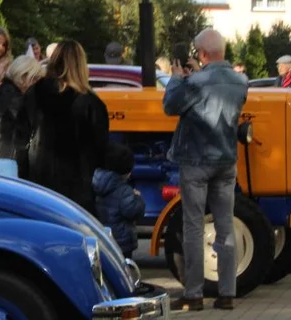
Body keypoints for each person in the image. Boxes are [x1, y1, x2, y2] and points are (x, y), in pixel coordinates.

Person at [163, 28, 248, 312]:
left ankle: (194, 294)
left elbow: (171, 107)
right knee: (225, 227)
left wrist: (177, 78)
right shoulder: (241, 82)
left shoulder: (195, 83)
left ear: (200, 53)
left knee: (194, 227)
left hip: (196, 160)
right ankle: (227, 294)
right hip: (226, 160)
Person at [20, 40, 109, 215]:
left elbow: (20, 136)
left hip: (39, 184)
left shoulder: (34, 94)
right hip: (77, 189)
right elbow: (100, 149)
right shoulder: (91, 103)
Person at [0, 55, 45, 177]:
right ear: (24, 76)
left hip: (0, 156)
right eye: (35, 79)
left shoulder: (3, 91)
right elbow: (33, 120)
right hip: (9, 161)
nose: (37, 85)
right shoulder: (14, 97)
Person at [93, 143, 145, 258]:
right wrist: (137, 197)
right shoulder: (124, 191)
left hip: (104, 237)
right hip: (121, 241)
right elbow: (133, 211)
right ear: (125, 172)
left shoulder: (97, 184)